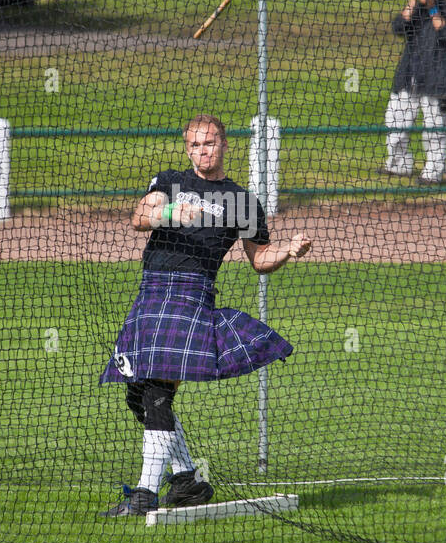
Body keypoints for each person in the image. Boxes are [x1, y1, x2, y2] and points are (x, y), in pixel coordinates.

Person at [99, 115, 312, 516]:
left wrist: (286, 251)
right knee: (137, 393)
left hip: (192, 292)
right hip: (153, 288)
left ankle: (145, 495)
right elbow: (139, 217)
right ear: (187, 149)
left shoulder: (242, 201)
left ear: (224, 145)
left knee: (158, 388)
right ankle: (186, 482)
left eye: (209, 143)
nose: (202, 151)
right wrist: (170, 216)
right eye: (195, 145)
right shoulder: (169, 183)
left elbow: (259, 259)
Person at [381, 0, 446, 181]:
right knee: (395, 121)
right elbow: (398, 27)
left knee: (434, 129)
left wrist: (434, 9)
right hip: (409, 75)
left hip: (436, 78)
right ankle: (399, 164)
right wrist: (412, 2)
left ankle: (432, 173)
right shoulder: (415, 10)